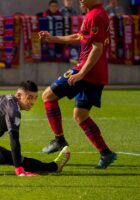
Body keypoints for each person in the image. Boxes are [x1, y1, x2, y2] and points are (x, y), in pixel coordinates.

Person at [38, 0, 117, 169]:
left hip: (87, 71)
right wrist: (52, 38)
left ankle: (59, 140)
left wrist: (81, 73)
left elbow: (97, 48)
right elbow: (78, 37)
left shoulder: (95, 15)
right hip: (97, 73)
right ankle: (106, 153)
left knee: (47, 96)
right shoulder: (93, 13)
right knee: (80, 115)